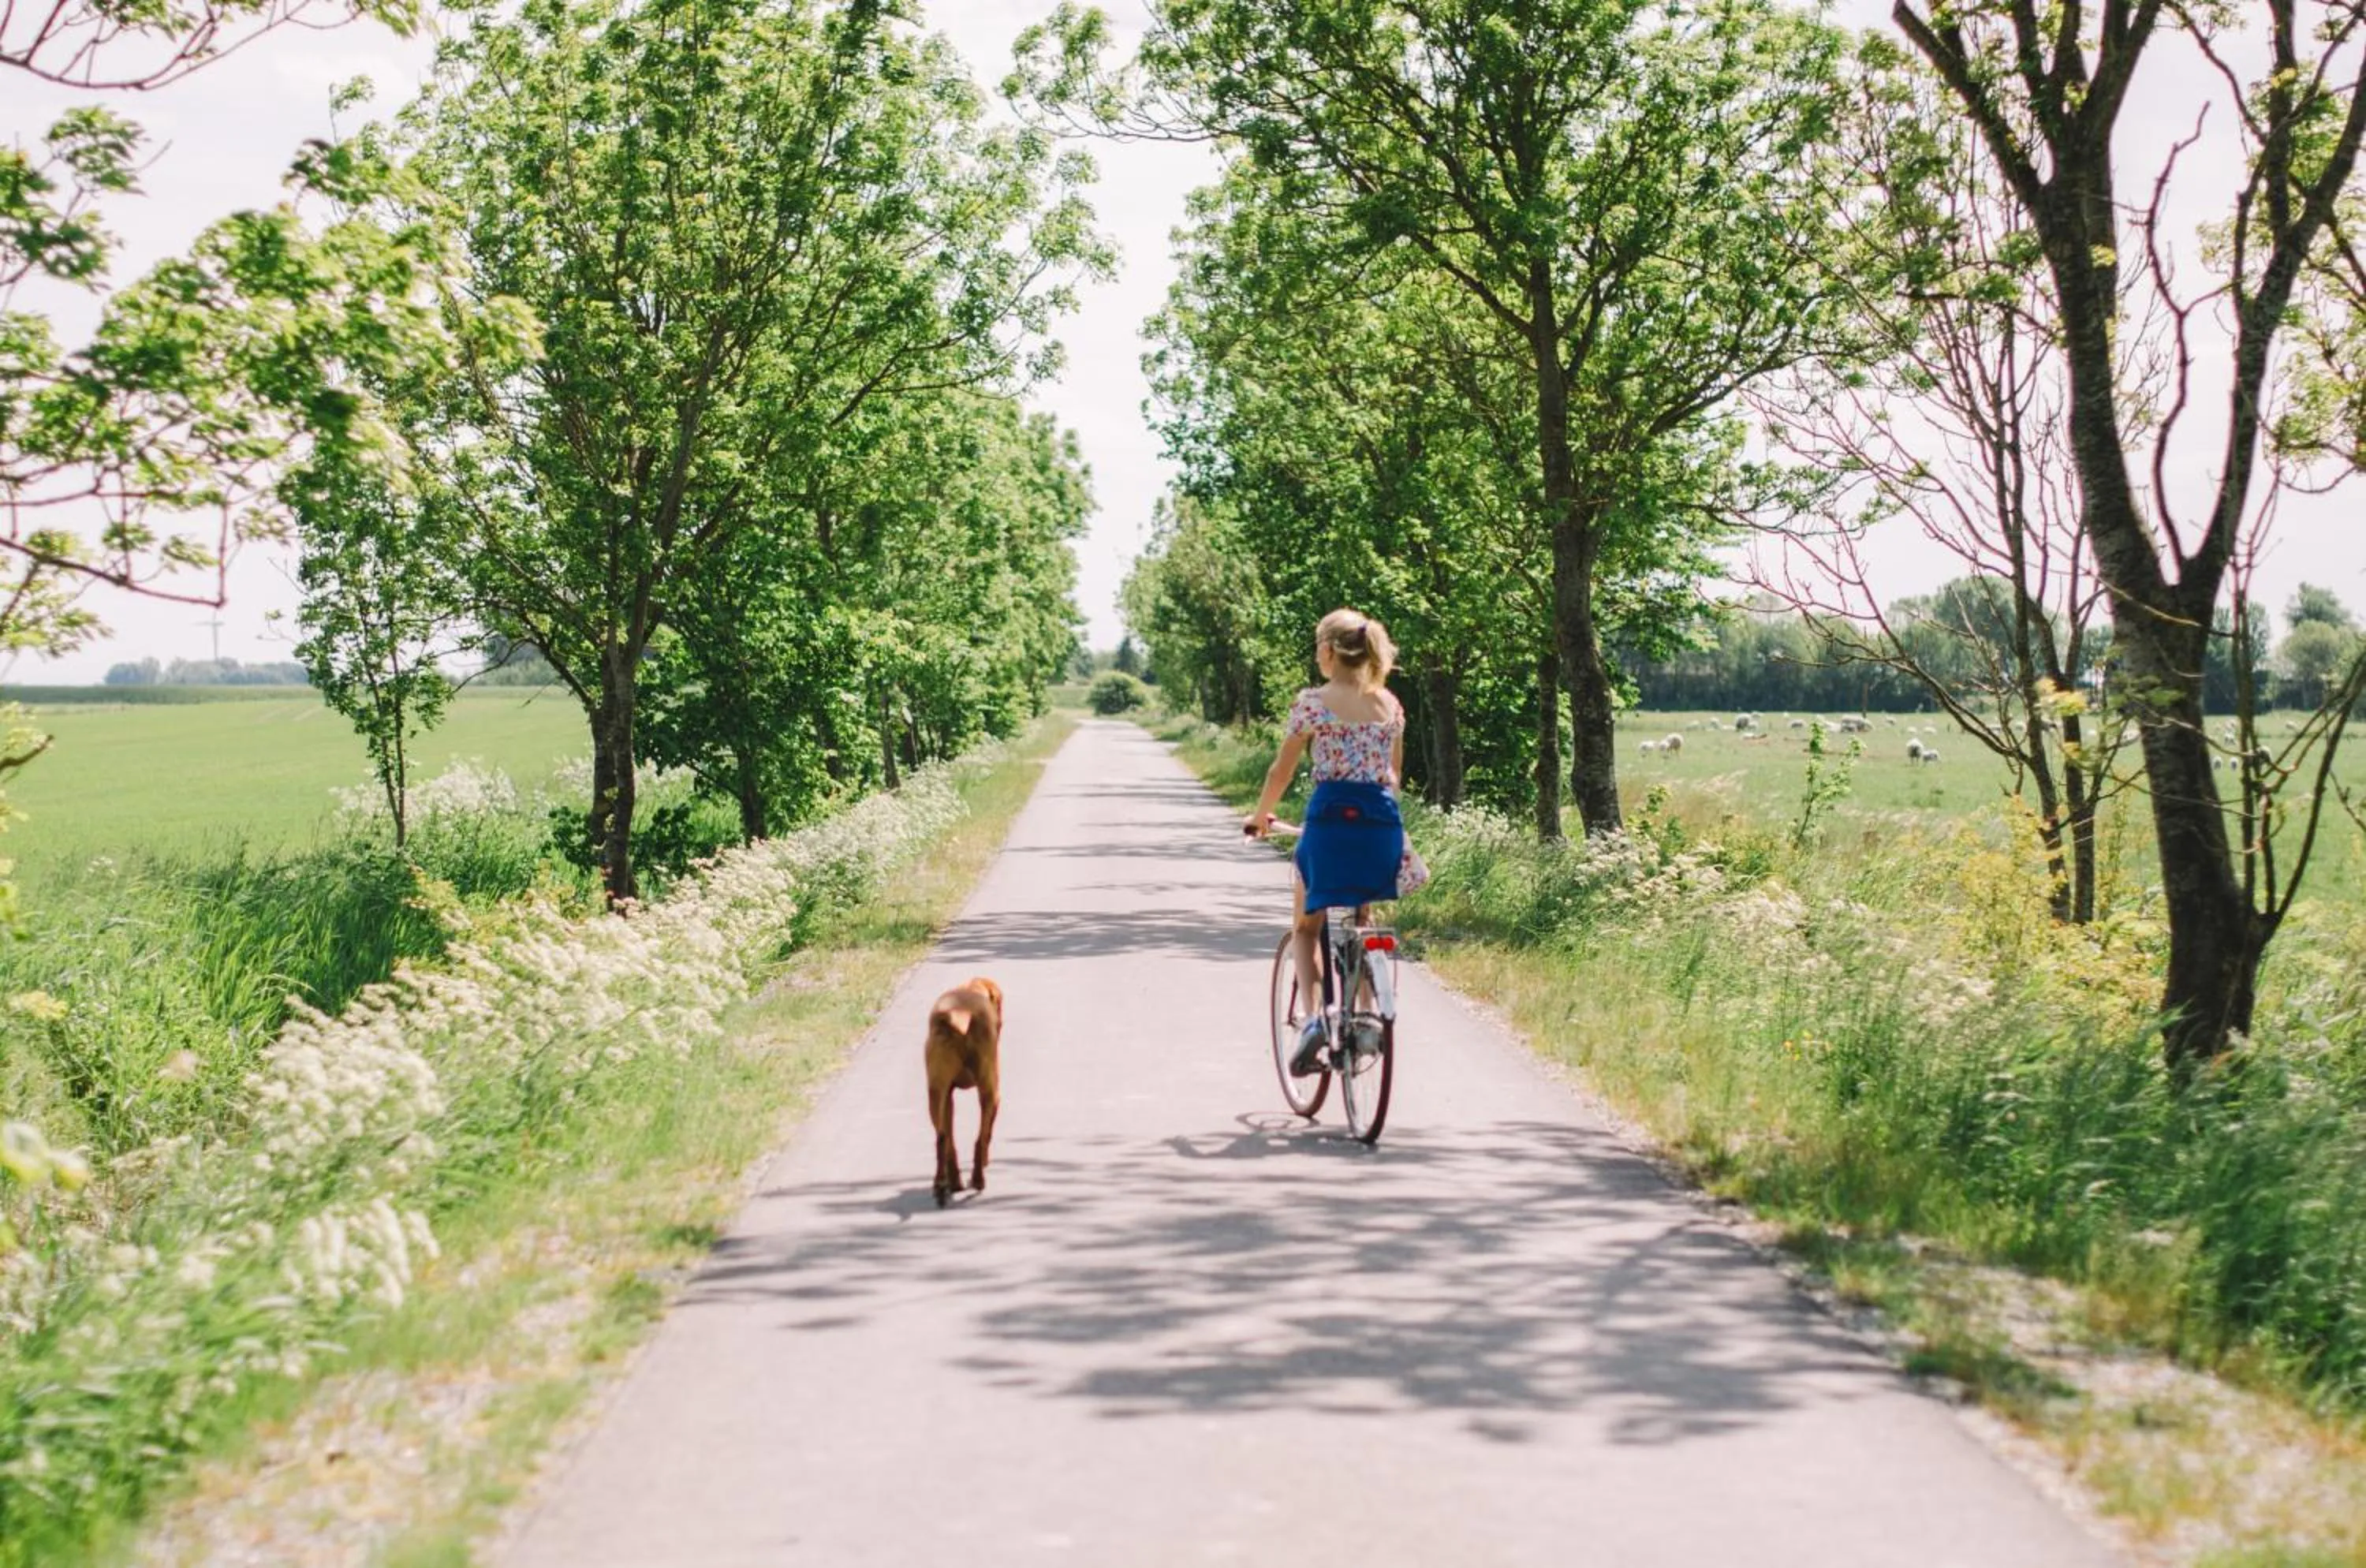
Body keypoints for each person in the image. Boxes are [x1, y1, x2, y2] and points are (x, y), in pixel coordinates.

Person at [1244, 608, 1428, 1074]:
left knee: (1307, 928)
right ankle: (1365, 1014)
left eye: (1317, 649)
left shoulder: (1313, 703)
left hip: (1330, 822)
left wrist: (1260, 817)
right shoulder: (1390, 706)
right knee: (1360, 918)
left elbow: (1281, 771)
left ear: (1328, 651)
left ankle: (1313, 1022)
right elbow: (1394, 776)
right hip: (1381, 825)